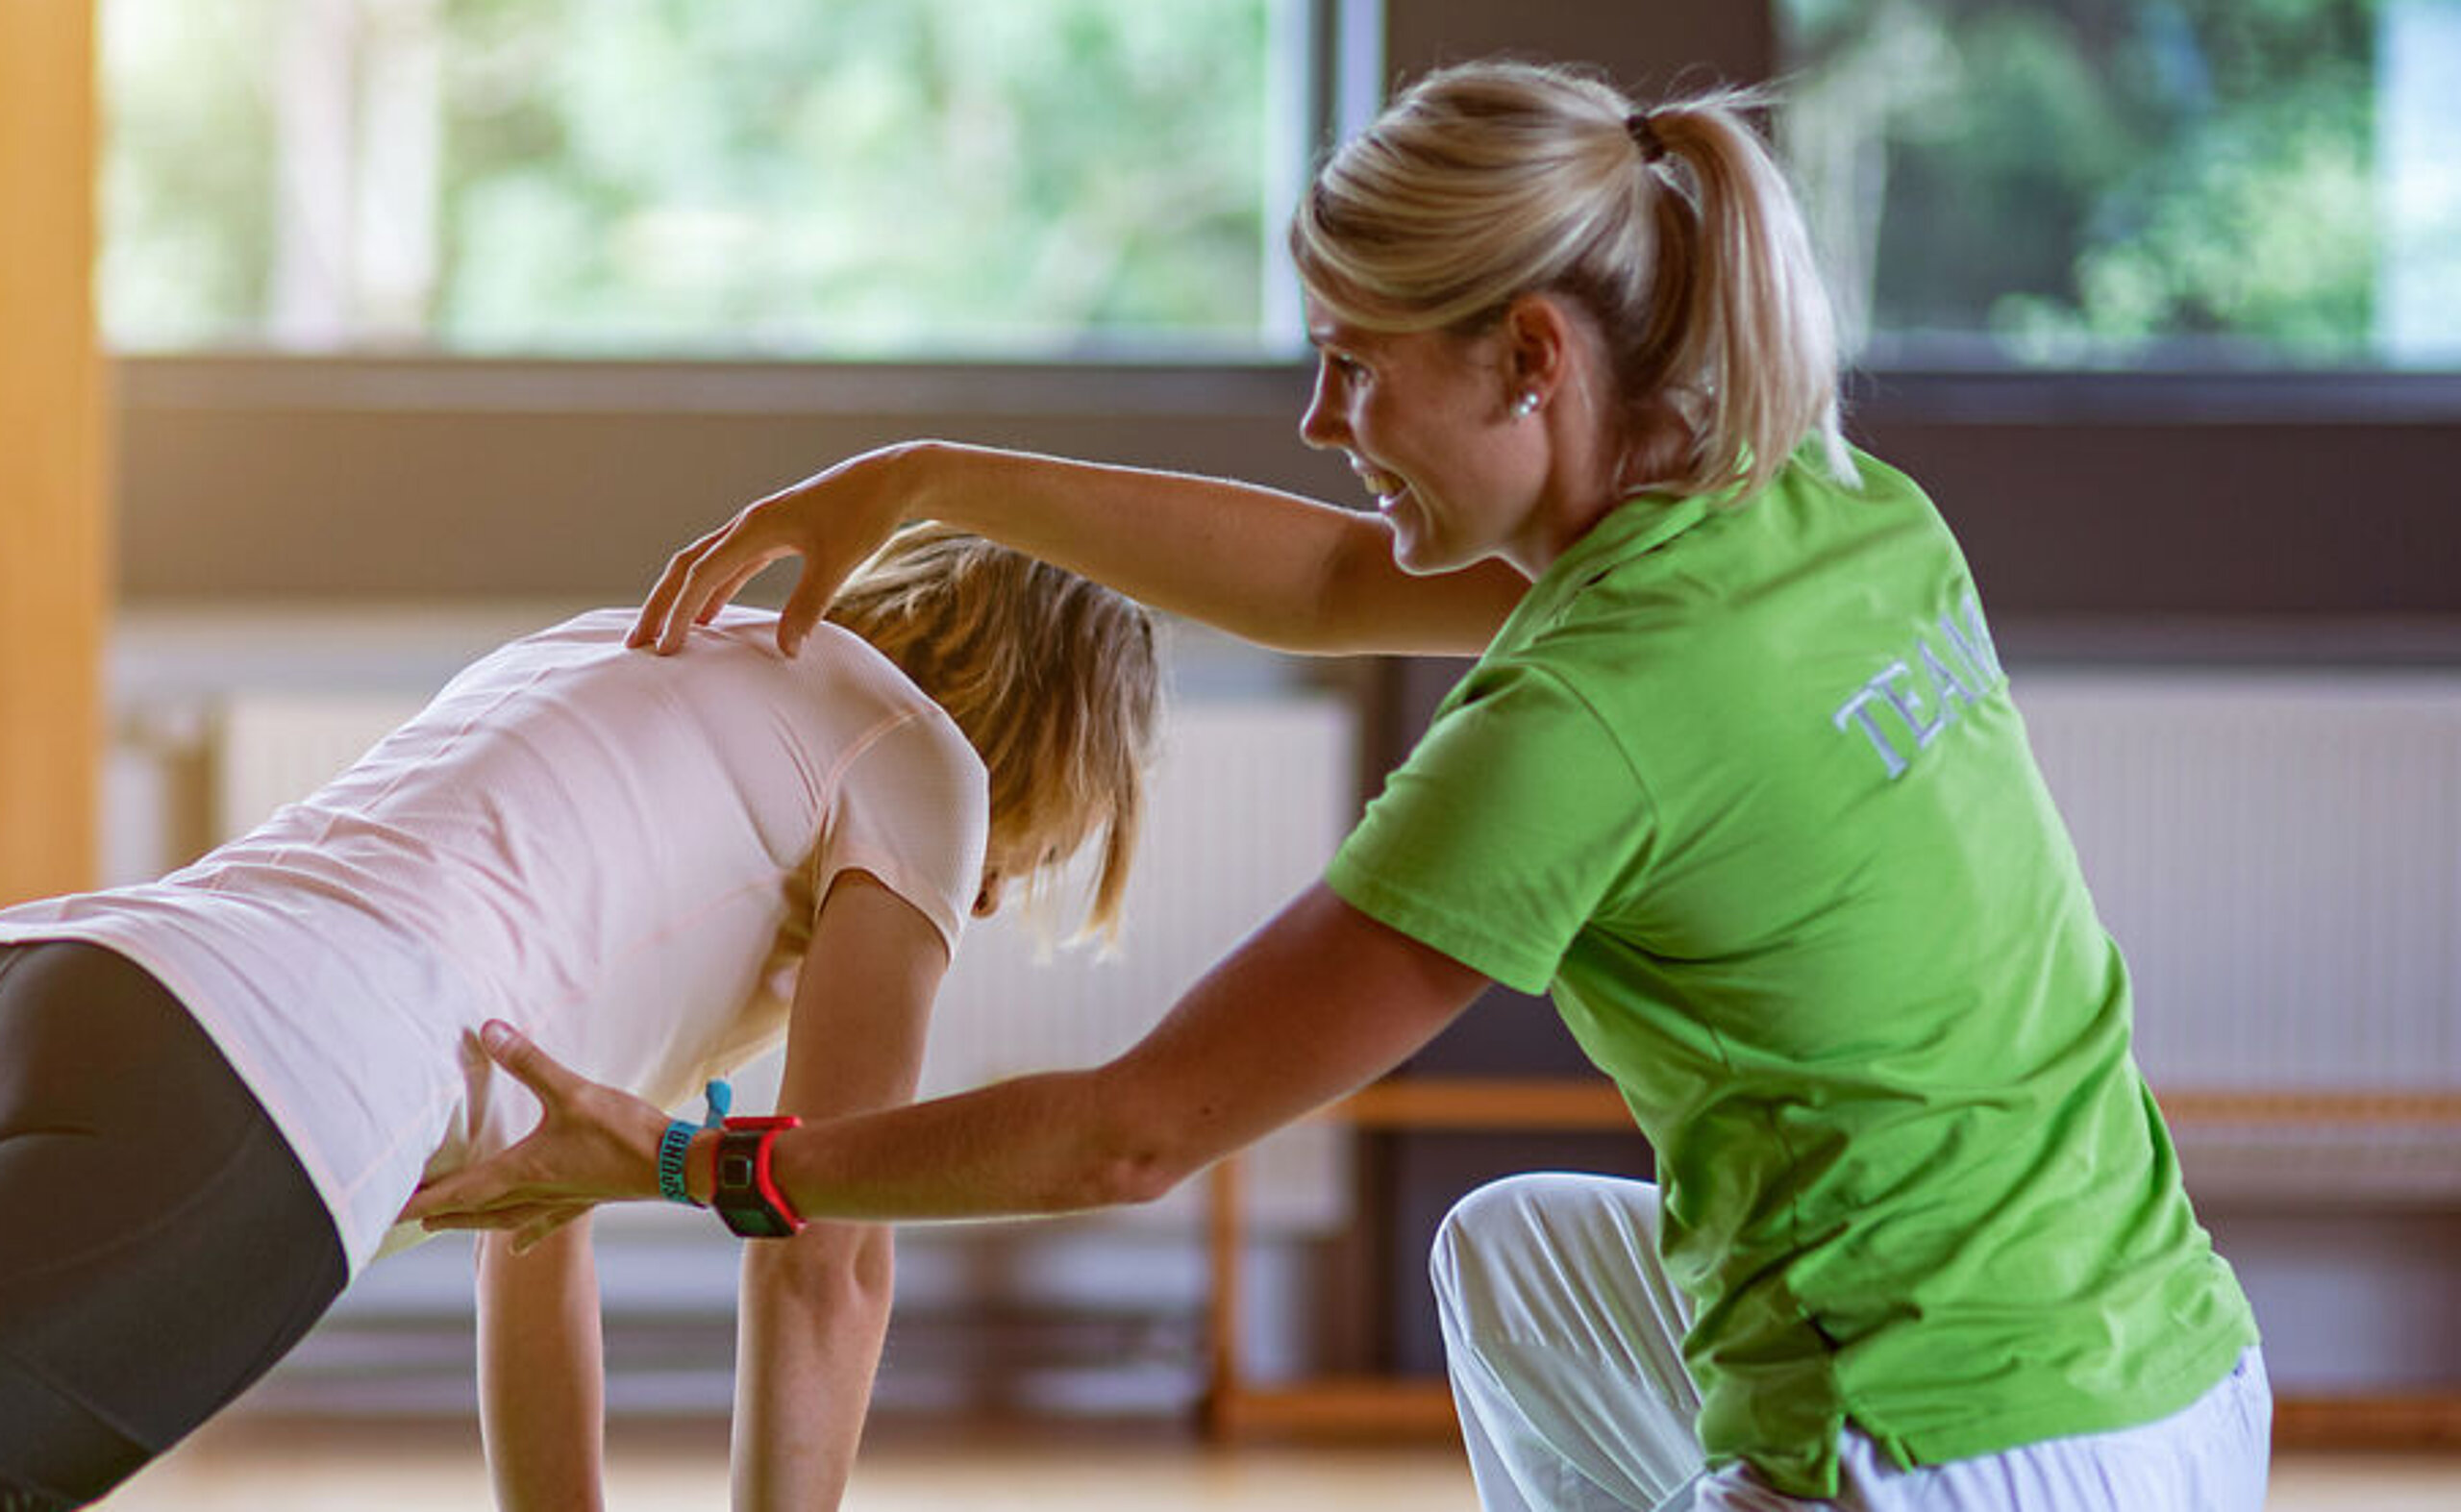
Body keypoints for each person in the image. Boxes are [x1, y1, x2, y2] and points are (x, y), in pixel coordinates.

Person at [409, 60, 2269, 1512]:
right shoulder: (1829, 504)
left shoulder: (1583, 721)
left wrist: (677, 1159)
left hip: (1947, 1444)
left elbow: (1131, 1132)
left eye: (1352, 368)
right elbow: (1313, 582)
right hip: (2170, 1366)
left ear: (1529, 357)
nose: (1322, 425)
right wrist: (920, 474)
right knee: (1526, 1260)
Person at [0, 525, 1158, 1512]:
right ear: (1039, 739)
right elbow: (825, 1243)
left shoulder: (633, 649)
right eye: (1036, 846)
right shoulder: (920, 764)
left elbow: (536, 1222)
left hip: (67, 971)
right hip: (258, 1074)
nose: (995, 897)